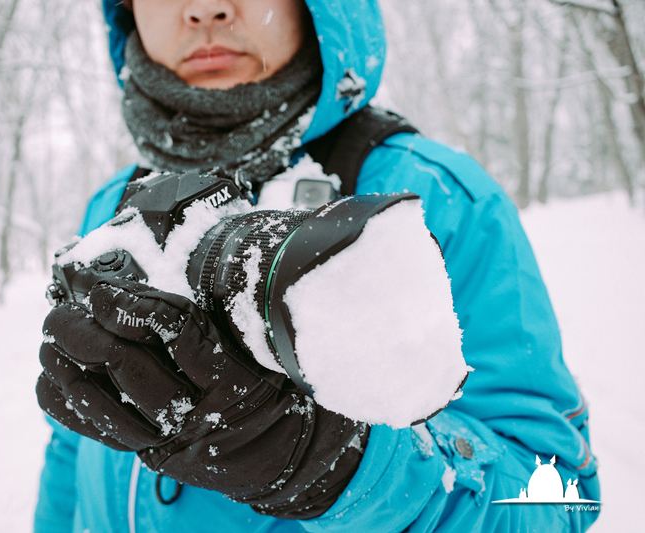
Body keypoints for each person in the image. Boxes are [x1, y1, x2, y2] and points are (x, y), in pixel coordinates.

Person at [34, 0, 601, 531]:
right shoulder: (113, 204)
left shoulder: (439, 200)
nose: (205, 7)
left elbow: (554, 497)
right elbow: (74, 441)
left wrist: (337, 463)